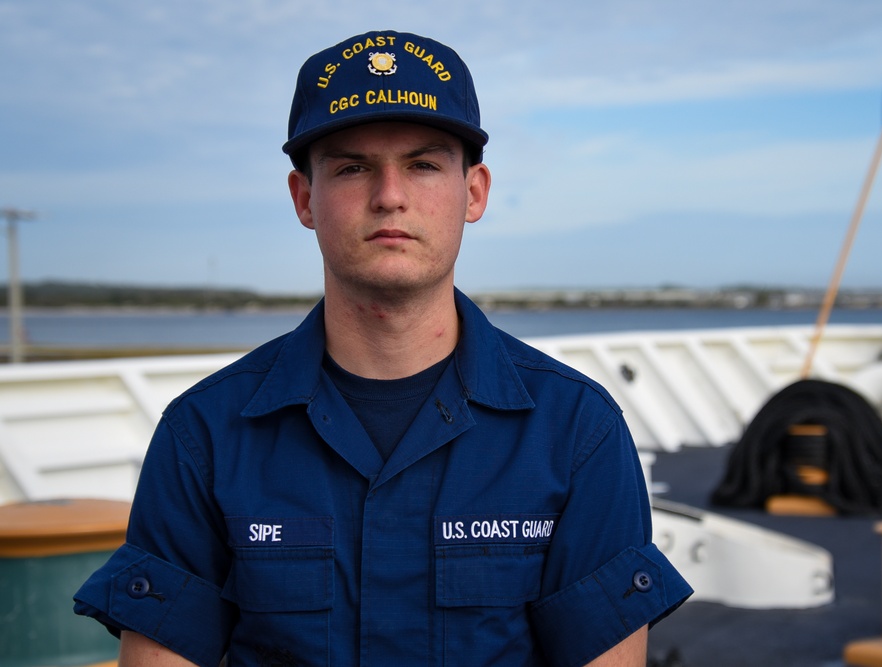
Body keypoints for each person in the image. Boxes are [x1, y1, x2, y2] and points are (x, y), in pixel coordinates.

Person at [73, 29, 692, 666]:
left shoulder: (575, 433)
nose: (389, 195)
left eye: (423, 164)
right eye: (352, 167)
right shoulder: (204, 434)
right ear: (304, 198)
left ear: (473, 192)